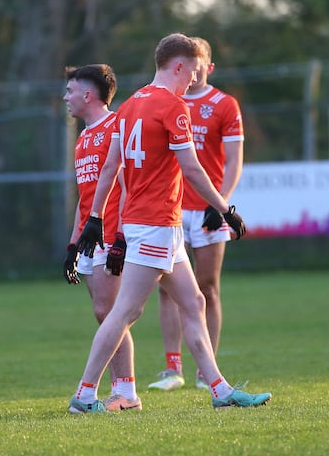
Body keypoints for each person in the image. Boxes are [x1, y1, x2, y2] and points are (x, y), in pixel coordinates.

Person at [68, 33, 270, 413]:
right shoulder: (173, 106)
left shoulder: (130, 104)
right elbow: (192, 169)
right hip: (156, 222)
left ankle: (220, 391)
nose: (196, 77)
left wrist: (95, 217)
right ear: (178, 66)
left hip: (161, 224)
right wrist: (225, 208)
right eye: (193, 70)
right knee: (125, 312)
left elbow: (112, 167)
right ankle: (84, 394)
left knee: (193, 302)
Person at [148, 37, 245, 392]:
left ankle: (208, 371)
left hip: (208, 209)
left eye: (201, 62)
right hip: (170, 209)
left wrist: (220, 203)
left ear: (209, 66)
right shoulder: (164, 100)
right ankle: (172, 368)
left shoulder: (224, 104)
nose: (195, 70)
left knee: (207, 287)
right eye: (191, 63)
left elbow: (234, 161)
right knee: (166, 290)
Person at [62, 64, 139, 411]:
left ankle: (126, 393)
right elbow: (86, 194)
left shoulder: (116, 126)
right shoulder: (82, 137)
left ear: (88, 95)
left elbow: (124, 187)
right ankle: (121, 390)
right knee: (104, 313)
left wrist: (120, 237)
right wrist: (73, 244)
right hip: (92, 238)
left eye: (70, 90)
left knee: (111, 312)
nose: (66, 97)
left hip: (113, 235)